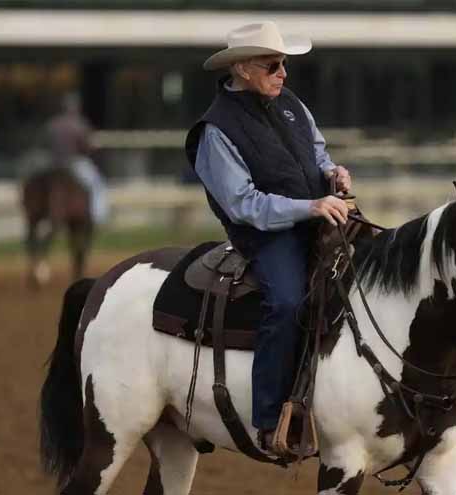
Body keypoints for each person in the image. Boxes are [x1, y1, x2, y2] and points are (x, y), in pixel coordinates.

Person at [185, 22, 351, 452]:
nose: (283, 74)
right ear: (242, 68)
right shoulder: (215, 130)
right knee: (287, 303)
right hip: (266, 235)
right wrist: (310, 207)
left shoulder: (291, 103)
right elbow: (244, 204)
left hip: (320, 214)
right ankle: (269, 418)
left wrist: (333, 173)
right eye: (273, 65)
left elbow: (317, 153)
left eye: (284, 64)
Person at [46, 93, 109, 224]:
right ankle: (98, 217)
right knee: (97, 184)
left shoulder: (52, 124)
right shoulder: (79, 124)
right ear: (75, 108)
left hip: (54, 163)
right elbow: (86, 147)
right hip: (74, 163)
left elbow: (46, 145)